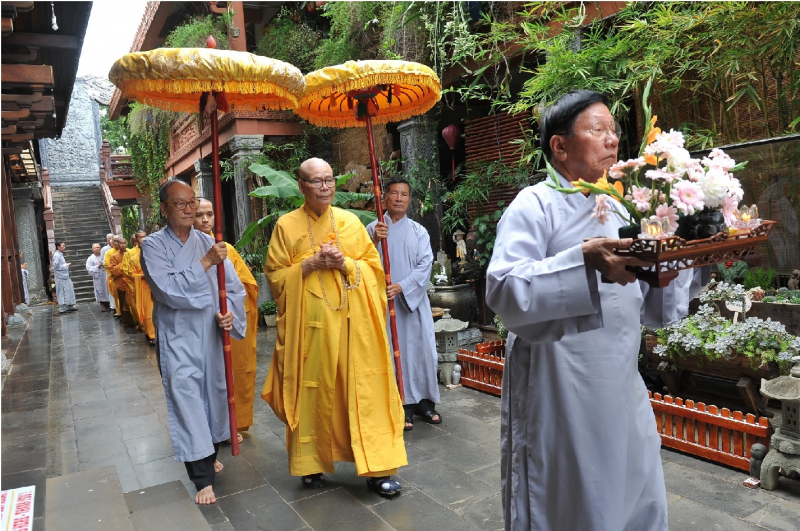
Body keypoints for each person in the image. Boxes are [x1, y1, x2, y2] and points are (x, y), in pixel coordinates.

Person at [485, 89, 709, 531]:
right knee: (571, 494)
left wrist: (688, 258)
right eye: (598, 129)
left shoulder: (623, 205)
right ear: (560, 146)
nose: (612, 141)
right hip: (559, 383)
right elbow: (504, 288)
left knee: (633, 482)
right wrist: (581, 260)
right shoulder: (535, 204)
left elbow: (652, 309)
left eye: (614, 130)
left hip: (621, 379)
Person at [262, 158, 407, 496]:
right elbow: (275, 277)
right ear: (301, 186)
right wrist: (310, 264)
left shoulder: (351, 222)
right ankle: (311, 465)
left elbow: (373, 270)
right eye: (316, 181)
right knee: (313, 393)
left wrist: (346, 263)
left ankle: (377, 469)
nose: (325, 187)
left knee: (366, 393)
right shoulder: (286, 225)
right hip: (309, 332)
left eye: (329, 180)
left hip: (354, 328)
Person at [141, 178, 246, 505]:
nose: (188, 209)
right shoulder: (153, 246)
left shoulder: (209, 242)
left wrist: (229, 315)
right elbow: (166, 290)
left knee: (213, 396)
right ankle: (201, 477)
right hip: (178, 336)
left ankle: (209, 451)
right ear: (163, 208)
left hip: (210, 332)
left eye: (192, 202)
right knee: (187, 397)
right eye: (180, 203)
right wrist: (205, 263)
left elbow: (232, 288)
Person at [367, 177, 441, 431]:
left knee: (422, 351)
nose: (399, 199)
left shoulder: (419, 232)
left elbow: (425, 266)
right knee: (392, 353)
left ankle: (425, 402)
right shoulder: (373, 229)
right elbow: (360, 261)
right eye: (394, 194)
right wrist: (375, 241)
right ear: (385, 197)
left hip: (413, 303)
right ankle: (401, 404)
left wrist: (402, 286)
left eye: (404, 195)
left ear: (410, 200)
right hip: (384, 305)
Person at [194, 198, 258, 444]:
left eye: (209, 214)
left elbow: (246, 286)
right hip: (198, 324)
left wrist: (230, 310)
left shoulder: (226, 249)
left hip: (225, 322)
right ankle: (205, 428)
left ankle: (232, 424)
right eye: (200, 215)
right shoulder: (184, 248)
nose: (205, 220)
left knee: (229, 374)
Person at [110, 237, 135, 326]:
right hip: (121, 283)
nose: (123, 245)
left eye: (124, 243)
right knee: (124, 303)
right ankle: (127, 321)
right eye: (121, 243)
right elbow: (113, 271)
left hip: (132, 282)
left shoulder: (131, 253)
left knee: (133, 302)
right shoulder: (114, 256)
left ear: (127, 243)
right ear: (118, 244)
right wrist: (123, 263)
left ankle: (136, 320)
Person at [122, 233, 143, 329]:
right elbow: (127, 271)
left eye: (144, 237)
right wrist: (140, 277)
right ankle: (139, 322)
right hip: (135, 284)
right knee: (136, 305)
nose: (141, 240)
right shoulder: (130, 254)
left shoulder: (152, 252)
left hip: (150, 284)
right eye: (139, 239)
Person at [52, 241, 76, 314]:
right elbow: (56, 266)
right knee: (62, 291)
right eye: (63, 246)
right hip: (61, 277)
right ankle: (62, 308)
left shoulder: (60, 254)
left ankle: (69, 305)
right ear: (58, 247)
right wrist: (66, 265)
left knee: (69, 290)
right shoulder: (56, 255)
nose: (64, 247)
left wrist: (66, 265)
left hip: (65, 276)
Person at [86, 243, 110, 311]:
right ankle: (103, 304)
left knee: (107, 289)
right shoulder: (91, 258)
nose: (97, 249)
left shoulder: (104, 256)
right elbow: (89, 268)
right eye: (95, 248)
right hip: (98, 277)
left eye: (98, 247)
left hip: (106, 275)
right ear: (92, 249)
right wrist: (97, 267)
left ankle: (109, 304)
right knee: (101, 290)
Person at [104, 235, 122, 318]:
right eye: (115, 241)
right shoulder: (109, 253)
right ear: (112, 242)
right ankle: (119, 311)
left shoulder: (128, 252)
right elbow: (107, 265)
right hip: (115, 278)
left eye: (119, 241)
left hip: (126, 278)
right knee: (117, 296)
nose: (117, 243)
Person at [100, 234, 117, 315]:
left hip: (120, 274)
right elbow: (103, 262)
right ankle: (114, 307)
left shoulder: (122, 250)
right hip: (110, 273)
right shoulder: (106, 250)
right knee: (112, 290)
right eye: (110, 239)